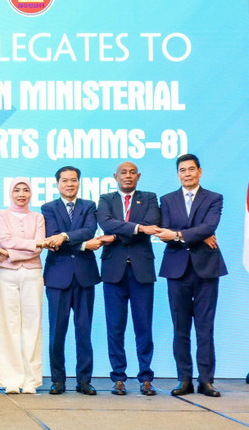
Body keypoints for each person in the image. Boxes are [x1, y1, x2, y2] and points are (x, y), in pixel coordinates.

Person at [155, 154, 227, 397]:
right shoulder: (166, 200)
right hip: (177, 269)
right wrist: (190, 234)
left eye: (191, 169)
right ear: (177, 174)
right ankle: (184, 379)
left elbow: (210, 227)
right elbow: (164, 230)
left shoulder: (214, 198)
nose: (187, 173)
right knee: (180, 328)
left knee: (205, 327)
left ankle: (206, 381)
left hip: (206, 268)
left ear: (200, 171)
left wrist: (180, 234)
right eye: (182, 170)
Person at [96, 162, 160, 396]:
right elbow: (105, 223)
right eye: (123, 172)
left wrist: (118, 232)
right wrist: (139, 229)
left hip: (141, 270)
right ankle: (118, 377)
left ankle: (145, 377)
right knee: (115, 326)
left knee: (143, 326)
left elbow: (153, 222)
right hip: (114, 271)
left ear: (138, 176)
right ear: (115, 176)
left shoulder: (150, 198)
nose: (128, 176)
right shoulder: (105, 199)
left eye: (132, 172)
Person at [41, 166, 101, 395]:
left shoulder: (89, 206)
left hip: (85, 276)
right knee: (57, 331)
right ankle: (58, 380)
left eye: (73, 180)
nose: (69, 184)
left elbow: (89, 230)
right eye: (65, 180)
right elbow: (52, 236)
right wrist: (84, 245)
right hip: (58, 276)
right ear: (57, 184)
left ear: (79, 182)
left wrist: (66, 237)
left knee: (84, 330)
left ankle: (84, 380)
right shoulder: (48, 208)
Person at [0, 178, 46, 394]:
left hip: (33, 273)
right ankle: (12, 379)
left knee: (32, 325)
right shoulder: (0, 215)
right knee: (9, 325)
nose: (21, 194)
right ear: (10, 192)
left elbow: (39, 247)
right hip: (7, 273)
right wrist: (29, 245)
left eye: (26, 190)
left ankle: (32, 380)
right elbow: (5, 240)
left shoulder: (38, 217)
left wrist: (12, 254)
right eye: (17, 190)